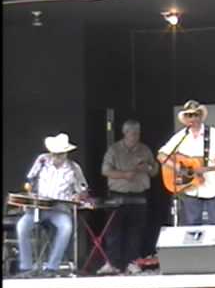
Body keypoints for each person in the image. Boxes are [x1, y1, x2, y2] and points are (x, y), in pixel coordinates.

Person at [16, 133, 89, 278]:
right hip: (38, 207)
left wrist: (78, 196)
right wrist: (30, 191)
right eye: (54, 154)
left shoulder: (74, 168)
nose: (56, 157)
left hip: (60, 209)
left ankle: (52, 267)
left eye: (60, 154)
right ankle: (26, 267)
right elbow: (30, 180)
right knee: (21, 226)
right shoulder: (42, 160)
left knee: (66, 227)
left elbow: (83, 189)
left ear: (66, 153)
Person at [96, 119, 159, 275]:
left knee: (135, 232)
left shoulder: (145, 150)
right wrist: (124, 175)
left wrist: (148, 168)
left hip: (139, 196)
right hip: (117, 196)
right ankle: (112, 263)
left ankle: (132, 262)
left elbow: (155, 171)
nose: (135, 136)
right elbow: (105, 170)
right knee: (114, 232)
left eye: (137, 133)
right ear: (125, 133)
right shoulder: (114, 149)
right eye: (132, 133)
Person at [157, 99, 215, 226]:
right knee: (191, 226)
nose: (193, 118)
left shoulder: (213, 134)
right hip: (190, 186)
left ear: (201, 116)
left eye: (196, 114)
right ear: (185, 118)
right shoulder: (181, 136)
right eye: (189, 115)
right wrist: (179, 168)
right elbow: (162, 155)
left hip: (212, 185)